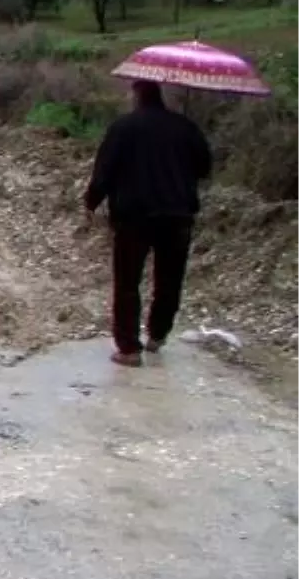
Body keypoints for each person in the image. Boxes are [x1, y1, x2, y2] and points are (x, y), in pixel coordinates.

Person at [84, 80, 213, 367]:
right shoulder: (185, 127)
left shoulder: (123, 128)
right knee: (169, 280)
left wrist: (91, 202)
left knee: (128, 281)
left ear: (137, 95)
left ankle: (129, 348)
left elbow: (104, 171)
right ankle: (158, 334)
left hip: (133, 216)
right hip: (178, 215)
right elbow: (204, 167)